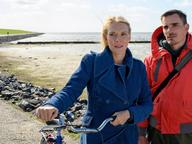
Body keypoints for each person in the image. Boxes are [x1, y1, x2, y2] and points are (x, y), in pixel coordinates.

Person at [35, 16, 152, 144]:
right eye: (112, 34)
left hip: (127, 136)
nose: (118, 39)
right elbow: (71, 89)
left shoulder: (139, 67)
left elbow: (147, 104)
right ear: (106, 37)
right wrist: (52, 104)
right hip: (96, 134)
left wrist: (130, 114)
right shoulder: (92, 61)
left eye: (123, 34)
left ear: (129, 37)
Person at [138, 10, 192, 144]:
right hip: (156, 135)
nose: (169, 30)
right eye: (165, 27)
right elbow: (142, 98)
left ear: (186, 27)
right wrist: (141, 133)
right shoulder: (150, 61)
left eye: (175, 25)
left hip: (189, 137)